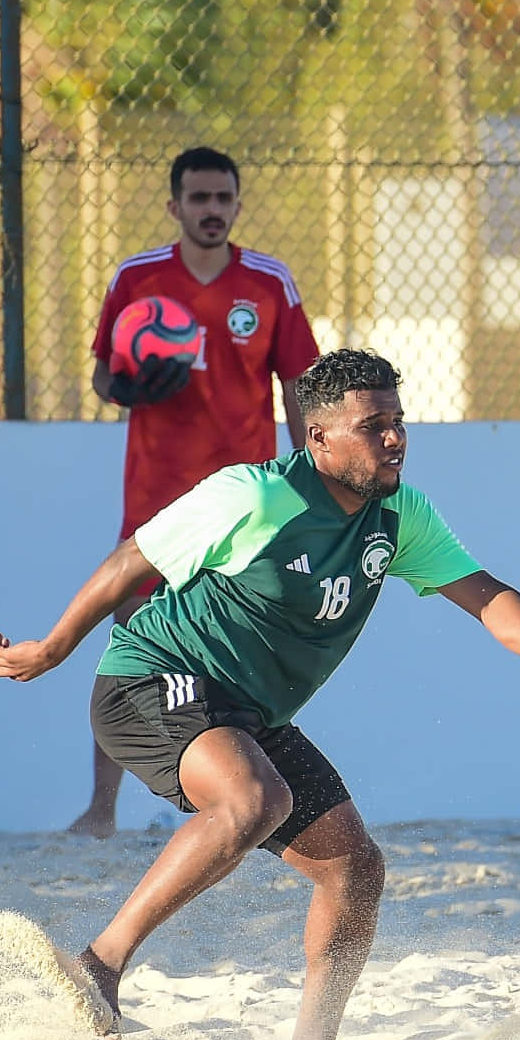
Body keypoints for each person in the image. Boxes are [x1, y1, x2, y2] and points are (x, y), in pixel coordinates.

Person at [0, 348, 520, 1040]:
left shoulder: (399, 515)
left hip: (246, 713)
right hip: (150, 680)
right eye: (376, 426)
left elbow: (483, 593)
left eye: (399, 421)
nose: (396, 438)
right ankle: (98, 966)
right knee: (252, 800)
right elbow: (133, 559)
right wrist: (54, 648)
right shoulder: (254, 496)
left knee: (355, 867)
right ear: (319, 438)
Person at [70, 145, 322, 839]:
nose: (212, 210)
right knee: (130, 644)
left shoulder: (269, 283)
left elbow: (298, 383)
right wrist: (123, 386)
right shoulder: (137, 279)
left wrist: (308, 474)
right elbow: (102, 377)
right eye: (199, 198)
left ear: (237, 205)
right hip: (155, 500)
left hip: (245, 506)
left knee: (243, 650)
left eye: (223, 199)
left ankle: (242, 797)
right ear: (174, 205)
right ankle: (102, 810)